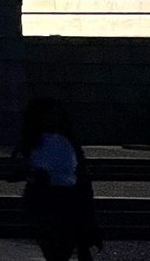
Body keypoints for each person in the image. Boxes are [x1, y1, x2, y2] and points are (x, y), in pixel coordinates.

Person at [15, 99, 100, 260]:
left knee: (59, 252)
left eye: (55, 115)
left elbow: (82, 176)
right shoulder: (35, 142)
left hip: (63, 201)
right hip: (46, 201)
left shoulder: (62, 142)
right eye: (50, 115)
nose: (53, 119)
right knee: (55, 252)